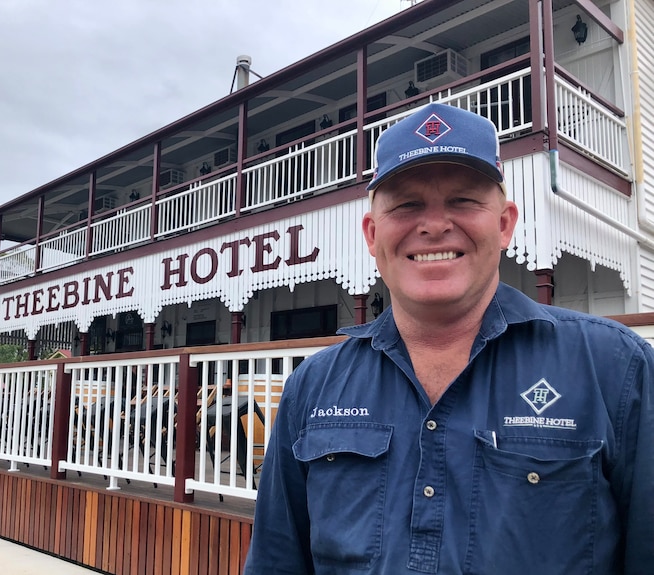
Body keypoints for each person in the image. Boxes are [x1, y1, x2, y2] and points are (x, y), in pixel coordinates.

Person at [244, 103, 653, 574]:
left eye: (463, 200)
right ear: (372, 234)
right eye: (407, 204)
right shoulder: (312, 387)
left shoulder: (615, 369)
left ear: (503, 224)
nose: (435, 224)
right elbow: (276, 562)